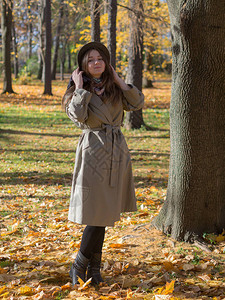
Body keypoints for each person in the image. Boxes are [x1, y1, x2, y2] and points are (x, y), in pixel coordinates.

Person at [62, 42, 144, 286]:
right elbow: (76, 115)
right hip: (93, 153)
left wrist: (120, 81)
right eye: (90, 60)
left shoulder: (115, 88)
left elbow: (137, 103)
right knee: (97, 214)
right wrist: (79, 88)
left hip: (116, 152)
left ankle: (94, 269)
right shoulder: (78, 90)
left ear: (106, 62)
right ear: (83, 67)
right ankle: (78, 265)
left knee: (105, 213)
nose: (96, 63)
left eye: (100, 58)